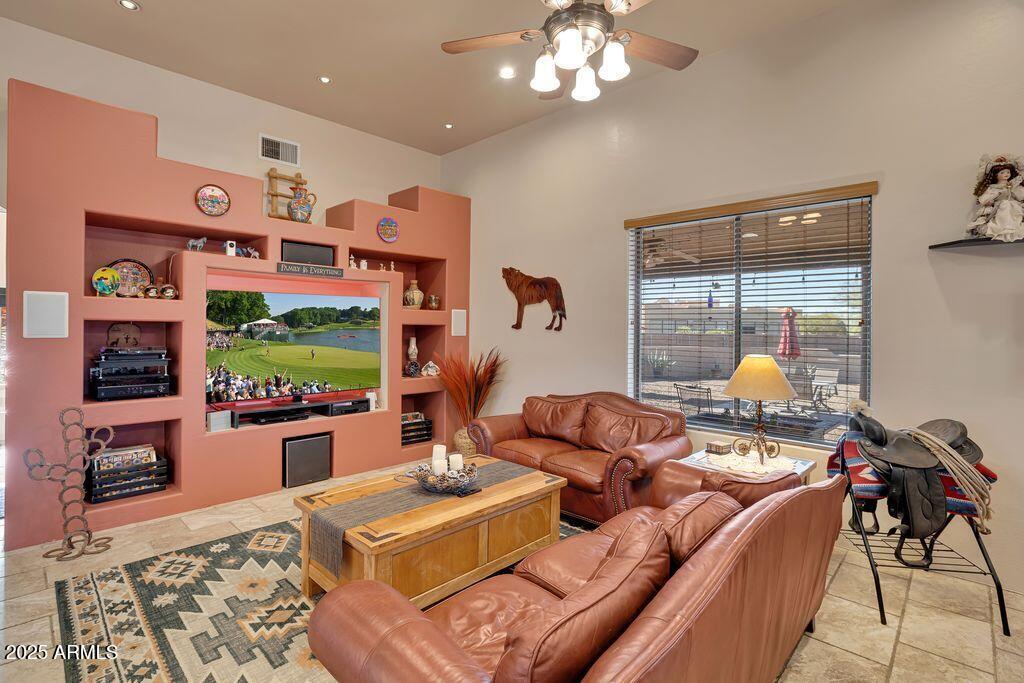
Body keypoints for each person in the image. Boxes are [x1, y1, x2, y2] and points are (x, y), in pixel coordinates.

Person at [969, 155, 1024, 242]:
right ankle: (1004, 227)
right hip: (999, 207)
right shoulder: (993, 187)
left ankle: (1013, 227)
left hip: (1013, 206)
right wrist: (991, 199)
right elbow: (984, 199)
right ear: (995, 175)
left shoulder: (1013, 184)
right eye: (1002, 173)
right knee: (1005, 205)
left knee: (1011, 206)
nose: (1006, 174)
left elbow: (1020, 196)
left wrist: (1013, 190)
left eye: (1007, 172)